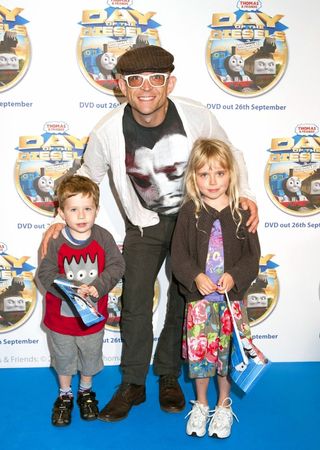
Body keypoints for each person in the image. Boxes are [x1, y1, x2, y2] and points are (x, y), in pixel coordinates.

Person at [40, 45, 259, 422]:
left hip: (195, 223)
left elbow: (229, 154)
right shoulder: (107, 131)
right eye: (135, 80)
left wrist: (248, 195)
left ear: (169, 83)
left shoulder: (195, 115)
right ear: (121, 86)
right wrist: (60, 217)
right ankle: (133, 383)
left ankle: (169, 376)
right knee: (135, 303)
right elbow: (86, 177)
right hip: (144, 226)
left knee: (184, 300)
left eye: (155, 79)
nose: (145, 88)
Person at [171, 138, 260, 438]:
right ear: (193, 176)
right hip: (199, 304)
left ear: (231, 174)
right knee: (201, 359)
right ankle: (201, 405)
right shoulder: (189, 212)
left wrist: (234, 276)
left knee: (227, 357)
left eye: (219, 173)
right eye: (204, 174)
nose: (212, 181)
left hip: (231, 305)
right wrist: (195, 276)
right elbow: (179, 255)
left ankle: (223, 405)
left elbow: (252, 257)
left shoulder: (242, 212)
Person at [37, 175, 125, 426]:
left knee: (90, 356)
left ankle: (85, 391)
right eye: (74, 209)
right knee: (63, 358)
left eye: (88, 209)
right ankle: (65, 395)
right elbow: (45, 273)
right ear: (62, 213)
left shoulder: (103, 238)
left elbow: (118, 265)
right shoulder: (56, 241)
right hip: (60, 319)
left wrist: (97, 287)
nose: (82, 215)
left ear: (96, 210)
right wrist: (71, 289)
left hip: (91, 320)